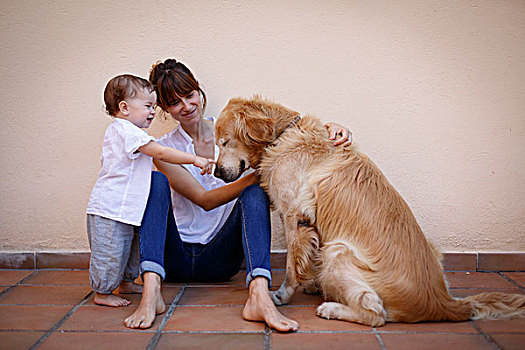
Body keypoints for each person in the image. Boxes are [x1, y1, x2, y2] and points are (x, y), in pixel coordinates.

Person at [123, 59, 352, 330]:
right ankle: (151, 292)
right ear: (164, 109)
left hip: (222, 258)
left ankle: (259, 294)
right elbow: (204, 200)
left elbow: (284, 131)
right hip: (175, 257)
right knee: (155, 182)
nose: (186, 106)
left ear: (199, 91)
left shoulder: (235, 131)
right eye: (175, 102)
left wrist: (329, 129)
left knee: (255, 193)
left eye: (190, 95)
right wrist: (263, 172)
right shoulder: (162, 149)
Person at [86, 74, 214, 307]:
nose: (153, 112)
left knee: (130, 249)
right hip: (110, 209)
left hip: (129, 208)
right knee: (110, 252)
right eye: (147, 106)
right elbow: (162, 153)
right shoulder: (125, 130)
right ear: (124, 108)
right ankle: (102, 292)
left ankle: (126, 282)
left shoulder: (132, 132)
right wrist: (194, 159)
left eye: (154, 106)